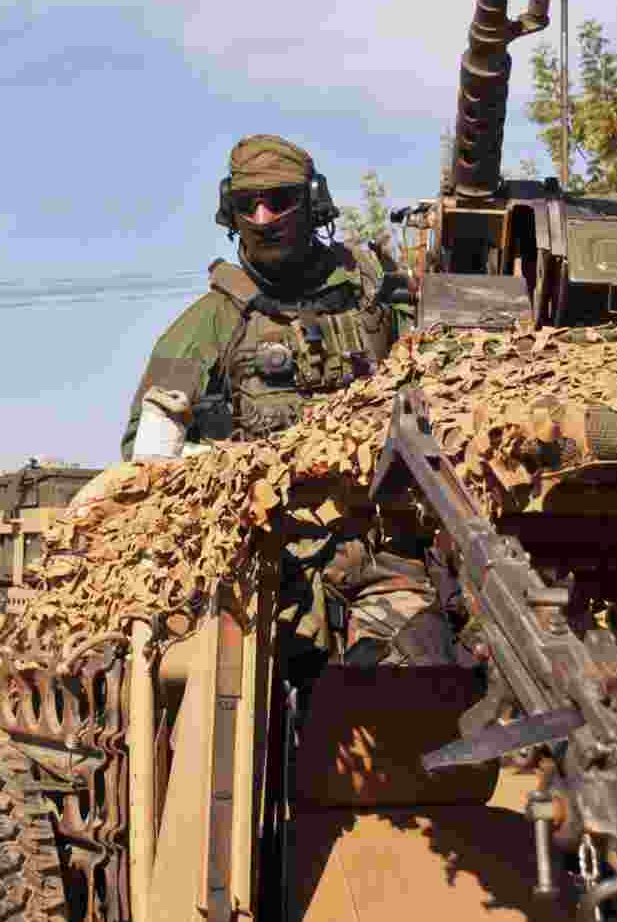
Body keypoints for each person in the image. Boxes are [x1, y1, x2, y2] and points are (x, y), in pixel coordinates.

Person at [120, 134, 458, 677]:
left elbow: (454, 392)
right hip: (259, 571)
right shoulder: (211, 324)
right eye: (247, 204)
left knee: (420, 675)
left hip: (379, 560)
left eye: (279, 199)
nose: (263, 216)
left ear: (313, 203)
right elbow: (147, 458)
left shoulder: (378, 301)